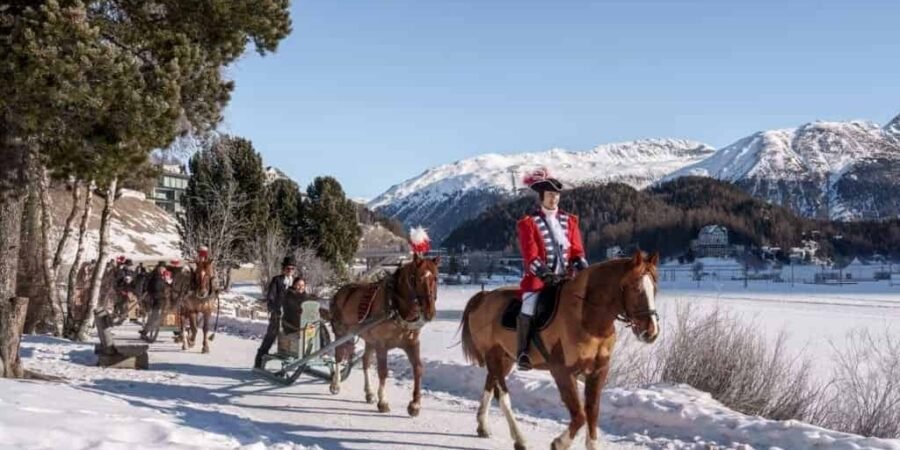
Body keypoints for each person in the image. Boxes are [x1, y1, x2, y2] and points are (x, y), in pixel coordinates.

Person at [515, 168, 589, 371]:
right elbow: (531, 256)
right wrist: (545, 274)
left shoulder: (569, 221)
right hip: (539, 280)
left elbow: (576, 250)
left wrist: (582, 266)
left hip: (566, 278)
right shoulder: (529, 223)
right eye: (550, 195)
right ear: (542, 197)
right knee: (528, 306)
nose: (554, 199)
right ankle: (523, 352)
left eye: (556, 195)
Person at [254, 256, 296, 369]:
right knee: (271, 336)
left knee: (294, 337)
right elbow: (271, 297)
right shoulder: (277, 280)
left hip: (292, 316)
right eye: (288, 268)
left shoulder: (296, 282)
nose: (290, 270)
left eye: (292, 268)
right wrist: (274, 309)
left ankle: (292, 358)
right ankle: (259, 359)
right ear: (283, 269)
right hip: (278, 314)